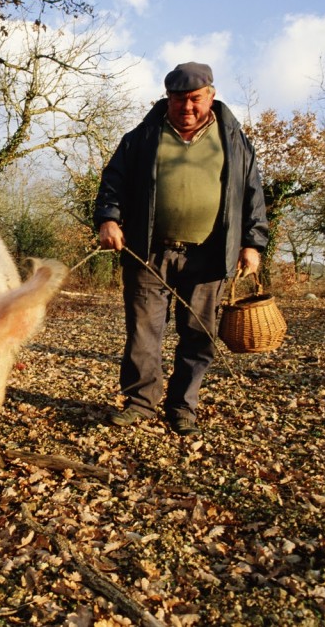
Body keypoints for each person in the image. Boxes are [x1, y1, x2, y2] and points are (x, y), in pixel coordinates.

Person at [93, 62, 269, 436]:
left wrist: (253, 243)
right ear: (167, 98)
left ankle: (182, 406)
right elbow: (113, 182)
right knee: (143, 334)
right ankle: (140, 403)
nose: (187, 107)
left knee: (199, 336)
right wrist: (108, 219)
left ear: (211, 96)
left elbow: (252, 194)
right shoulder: (142, 137)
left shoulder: (234, 140)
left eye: (195, 99)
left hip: (209, 255)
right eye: (178, 99)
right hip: (148, 252)